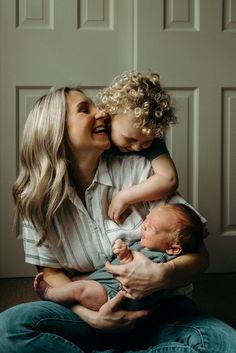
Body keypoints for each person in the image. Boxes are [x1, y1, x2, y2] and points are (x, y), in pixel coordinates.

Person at [0, 86, 235, 353]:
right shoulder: (37, 200)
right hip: (87, 315)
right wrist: (93, 317)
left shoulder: (139, 171)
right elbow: (51, 274)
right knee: (8, 329)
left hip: (160, 311)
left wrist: (162, 275)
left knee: (224, 343)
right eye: (85, 109)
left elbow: (199, 256)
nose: (102, 113)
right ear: (56, 131)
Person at [34, 203, 205, 311]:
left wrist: (124, 255)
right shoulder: (146, 245)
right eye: (146, 219)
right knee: (81, 281)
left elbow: (132, 272)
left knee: (80, 289)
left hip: (114, 297)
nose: (143, 225)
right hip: (107, 284)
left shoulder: (159, 259)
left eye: (151, 227)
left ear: (173, 249)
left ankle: (49, 293)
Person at [97, 71, 179, 224]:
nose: (136, 147)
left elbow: (169, 179)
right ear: (110, 116)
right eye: (129, 139)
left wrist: (126, 196)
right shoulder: (98, 131)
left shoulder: (150, 139)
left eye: (146, 142)